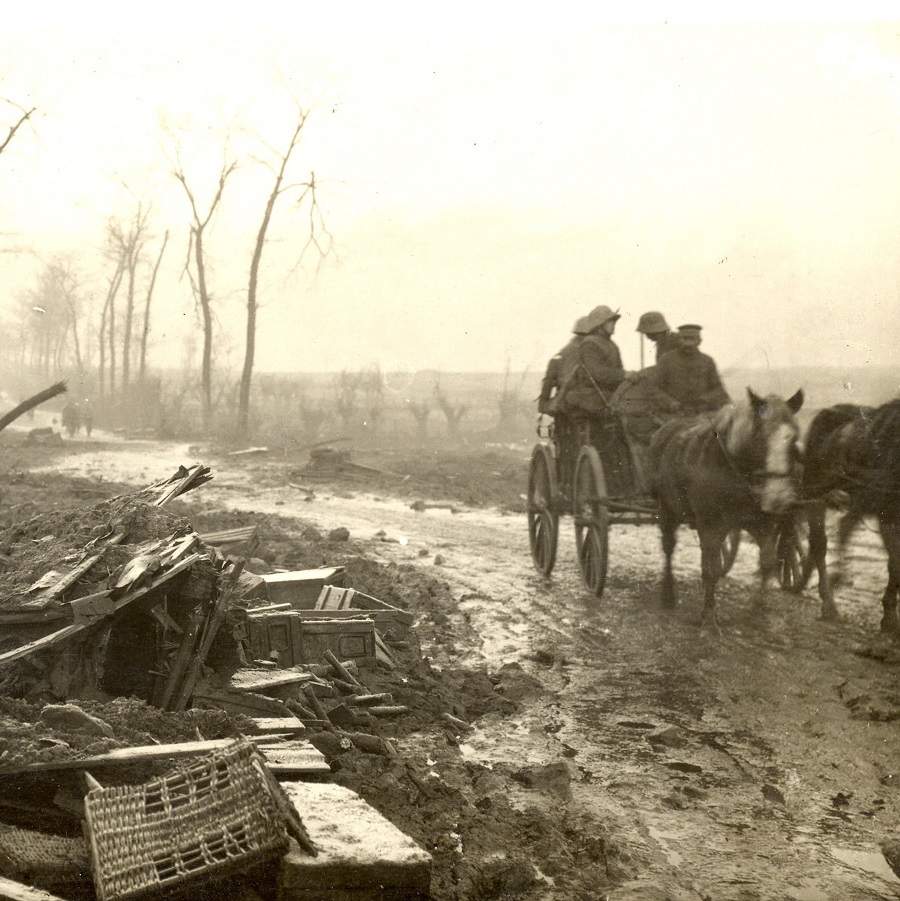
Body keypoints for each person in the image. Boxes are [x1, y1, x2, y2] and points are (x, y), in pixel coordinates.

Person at [560, 304, 629, 415]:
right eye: (609, 321)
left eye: (613, 321)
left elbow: (618, 369)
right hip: (593, 394)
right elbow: (598, 374)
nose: (613, 324)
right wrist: (624, 375)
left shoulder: (611, 344)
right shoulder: (589, 344)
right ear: (600, 325)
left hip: (609, 392)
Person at [648, 323, 731, 415]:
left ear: (699, 341)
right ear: (679, 340)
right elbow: (654, 388)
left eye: (692, 339)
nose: (689, 343)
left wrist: (705, 400)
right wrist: (671, 403)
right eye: (685, 339)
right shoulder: (666, 360)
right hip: (672, 415)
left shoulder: (707, 361)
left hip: (702, 414)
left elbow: (718, 388)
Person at [537, 315, 590, 415]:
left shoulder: (562, 352)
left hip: (562, 406)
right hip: (580, 406)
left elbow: (547, 385)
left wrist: (545, 404)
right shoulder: (586, 351)